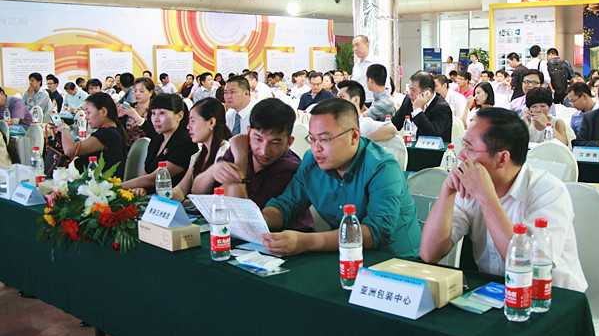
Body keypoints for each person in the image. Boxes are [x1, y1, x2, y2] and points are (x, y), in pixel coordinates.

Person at [419, 107, 587, 291]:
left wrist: (486, 197)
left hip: (551, 297)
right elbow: (429, 253)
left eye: (469, 148)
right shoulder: (470, 188)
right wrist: (448, 191)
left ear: (502, 159)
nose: (461, 155)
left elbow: (526, 267)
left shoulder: (548, 191)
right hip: (494, 293)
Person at [260, 98, 421, 257]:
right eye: (312, 139)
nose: (316, 148)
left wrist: (306, 242)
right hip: (343, 255)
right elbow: (286, 204)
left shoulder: (382, 168)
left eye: (324, 139)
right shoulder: (312, 162)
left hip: (395, 261)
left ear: (354, 136)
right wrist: (261, 220)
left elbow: (375, 232)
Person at [197, 99, 315, 232]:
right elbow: (197, 192)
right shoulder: (241, 148)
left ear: (289, 142)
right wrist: (212, 171)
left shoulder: (288, 167)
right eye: (258, 139)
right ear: (248, 133)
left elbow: (243, 216)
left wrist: (240, 160)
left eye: (275, 143)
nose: (264, 151)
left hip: (289, 237)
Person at [121, 94, 197, 192]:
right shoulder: (157, 139)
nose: (156, 119)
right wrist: (140, 189)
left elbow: (154, 178)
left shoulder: (186, 142)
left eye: (162, 113)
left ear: (179, 116)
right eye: (153, 113)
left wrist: (116, 187)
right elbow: (145, 174)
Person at [57, 92, 127, 179]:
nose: (86, 118)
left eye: (89, 112)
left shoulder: (108, 134)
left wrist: (64, 128)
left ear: (104, 111)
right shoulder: (114, 130)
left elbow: (70, 151)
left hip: (101, 183)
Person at [392, 71, 453, 142]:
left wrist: (417, 110)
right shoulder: (409, 100)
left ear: (427, 92)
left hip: (430, 147)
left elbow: (433, 134)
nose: (410, 94)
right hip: (409, 145)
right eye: (409, 89)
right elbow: (395, 124)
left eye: (413, 90)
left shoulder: (442, 107)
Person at [117, 76, 156, 147]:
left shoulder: (155, 110)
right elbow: (120, 132)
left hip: (147, 148)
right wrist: (119, 117)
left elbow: (155, 134)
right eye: (135, 91)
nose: (137, 94)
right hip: (128, 147)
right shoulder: (130, 107)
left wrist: (136, 117)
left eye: (141, 91)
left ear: (150, 92)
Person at [351, 35, 383, 105]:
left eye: (357, 45)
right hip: (360, 103)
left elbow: (385, 85)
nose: (355, 49)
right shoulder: (356, 66)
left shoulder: (377, 62)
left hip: (374, 102)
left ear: (367, 45)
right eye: (353, 46)